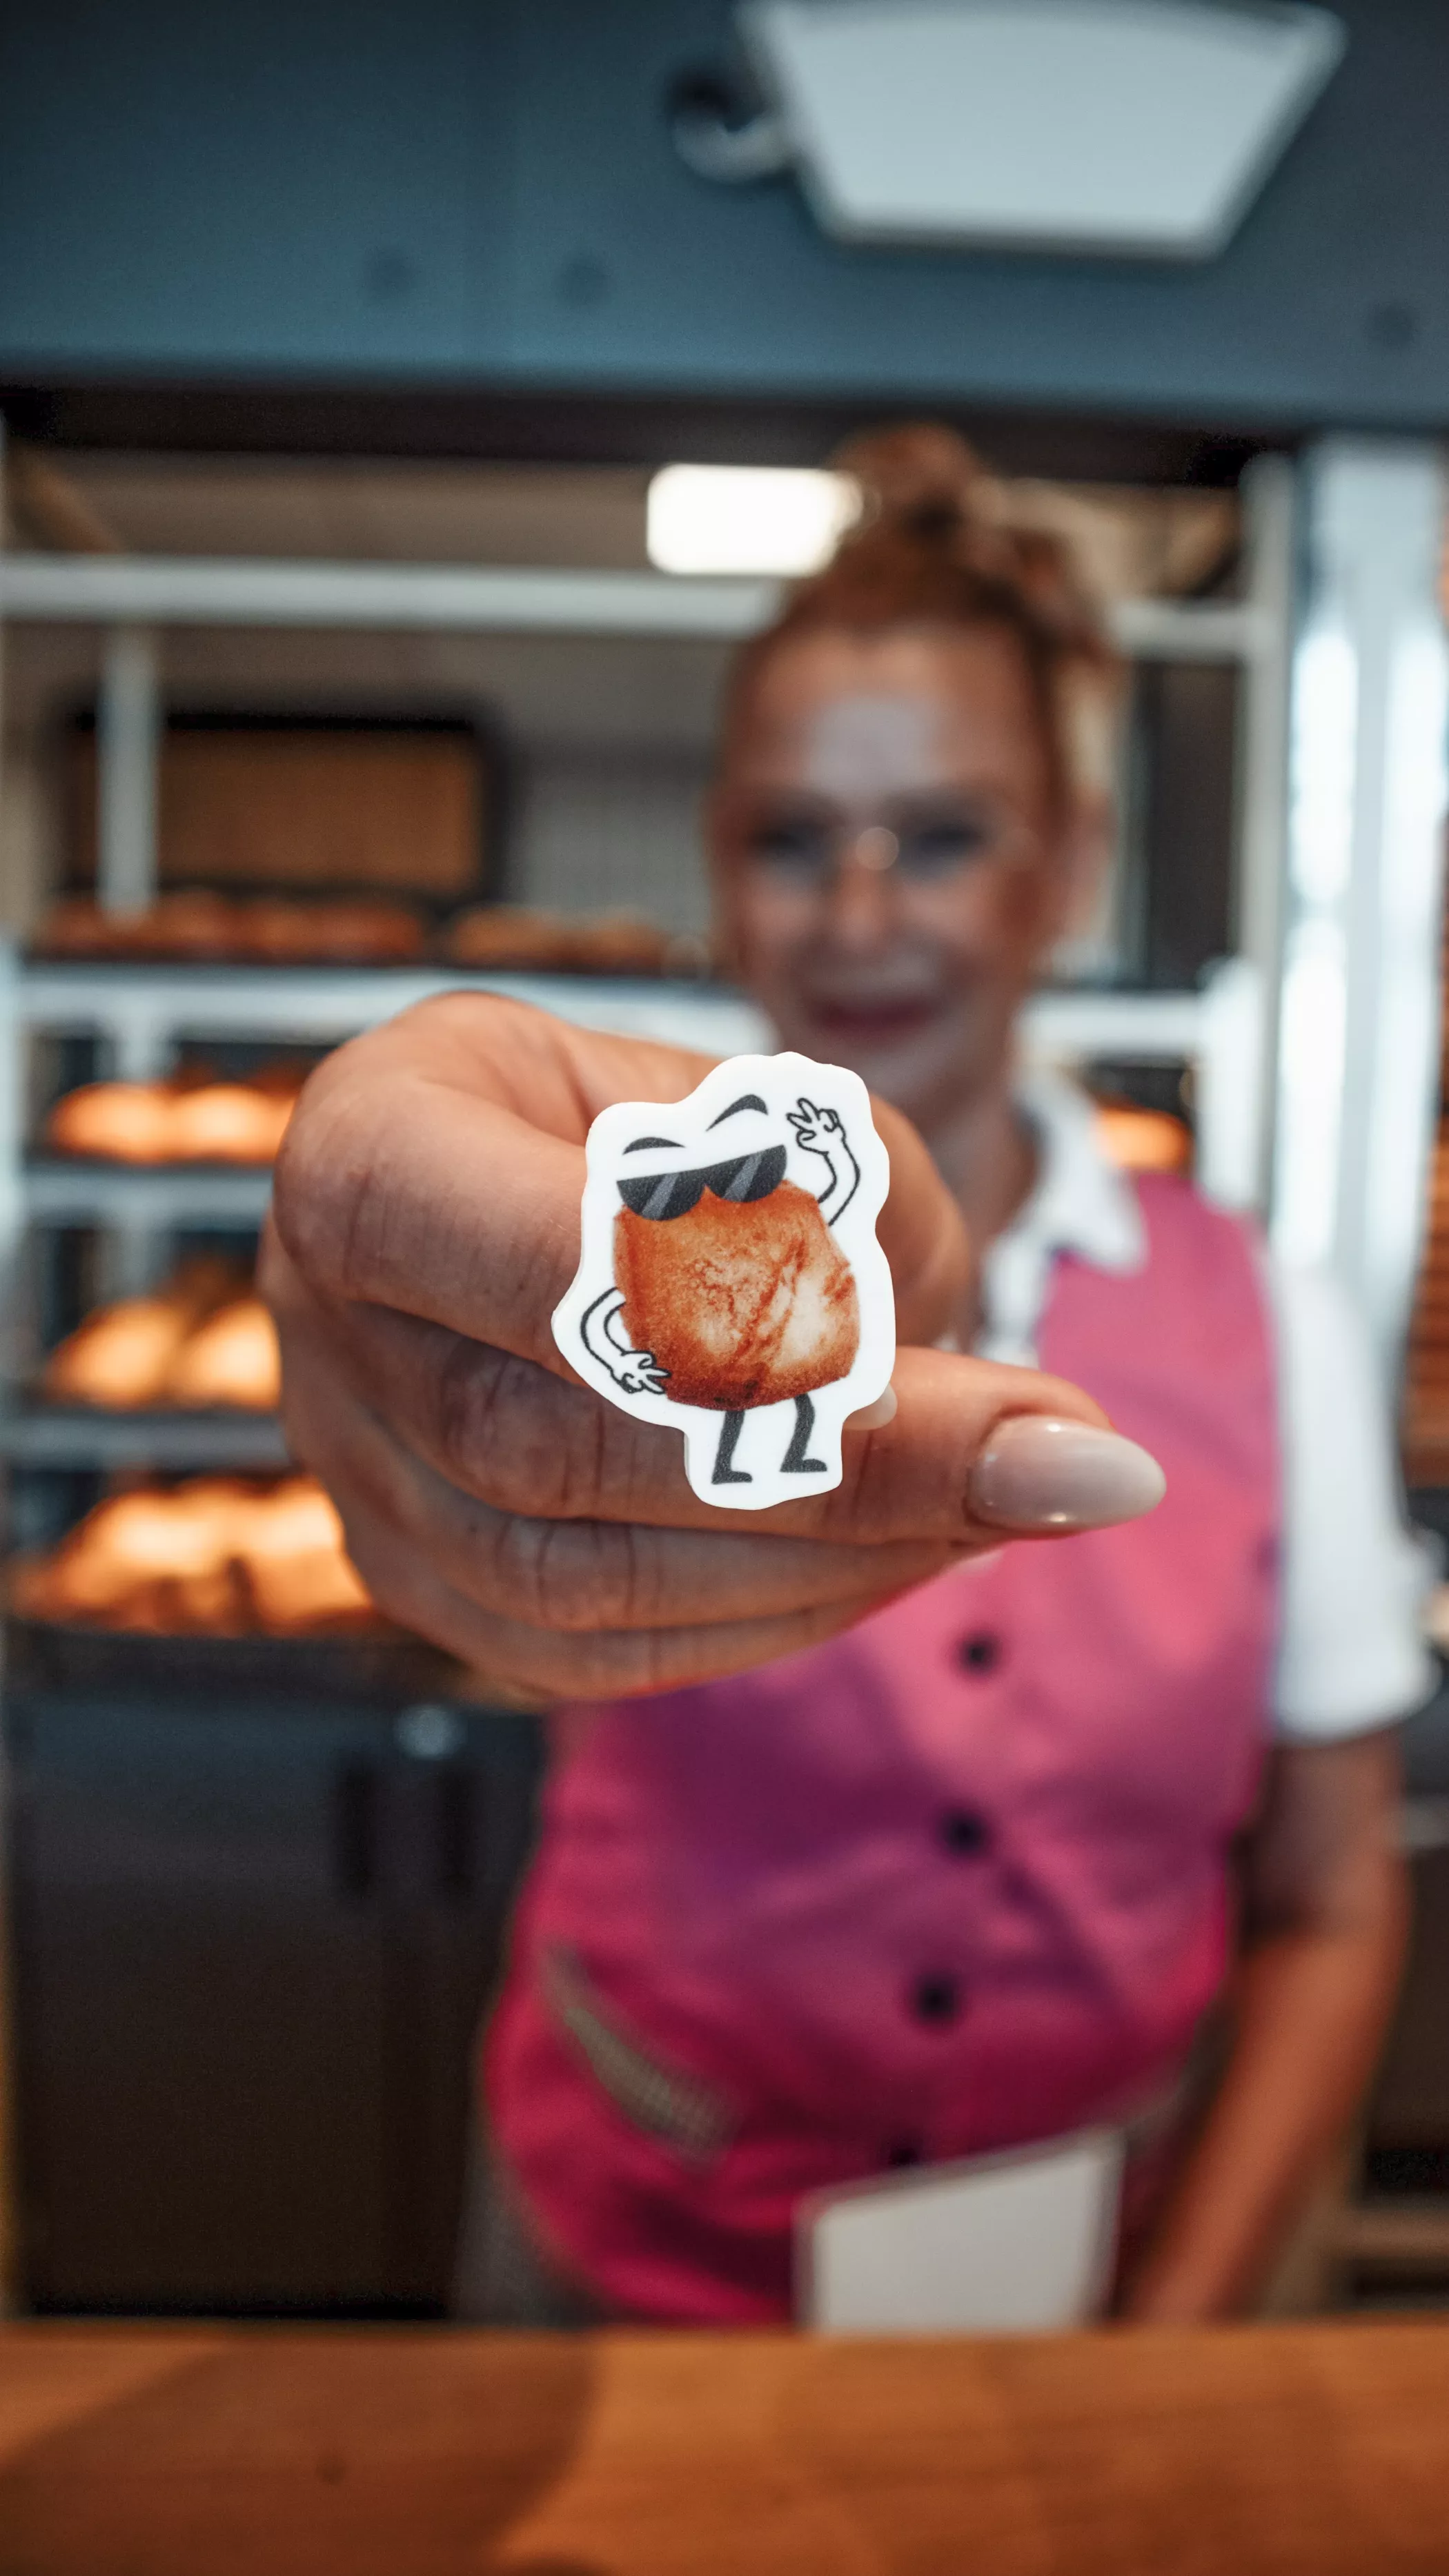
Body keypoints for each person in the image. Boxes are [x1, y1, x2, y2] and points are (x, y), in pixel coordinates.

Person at [264, 426, 1428, 2327]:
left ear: (1069, 863)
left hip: (1107, 2258)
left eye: (943, 836)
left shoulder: (1268, 1321)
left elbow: (1329, 1896)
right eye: (793, 839)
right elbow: (408, 1471)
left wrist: (1173, 2328)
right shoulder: (614, 1255)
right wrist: (353, 1323)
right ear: (724, 872)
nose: (862, 913)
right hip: (624, 2241)